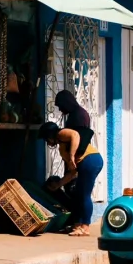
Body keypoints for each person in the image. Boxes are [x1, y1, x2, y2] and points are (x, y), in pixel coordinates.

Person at [43, 89, 104, 237]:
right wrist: (59, 184)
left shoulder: (61, 132)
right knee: (79, 193)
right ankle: (78, 224)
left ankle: (85, 227)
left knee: (84, 194)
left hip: (90, 160)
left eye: (47, 139)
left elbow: (76, 135)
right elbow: (72, 173)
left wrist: (71, 156)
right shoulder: (62, 142)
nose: (48, 143)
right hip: (88, 161)